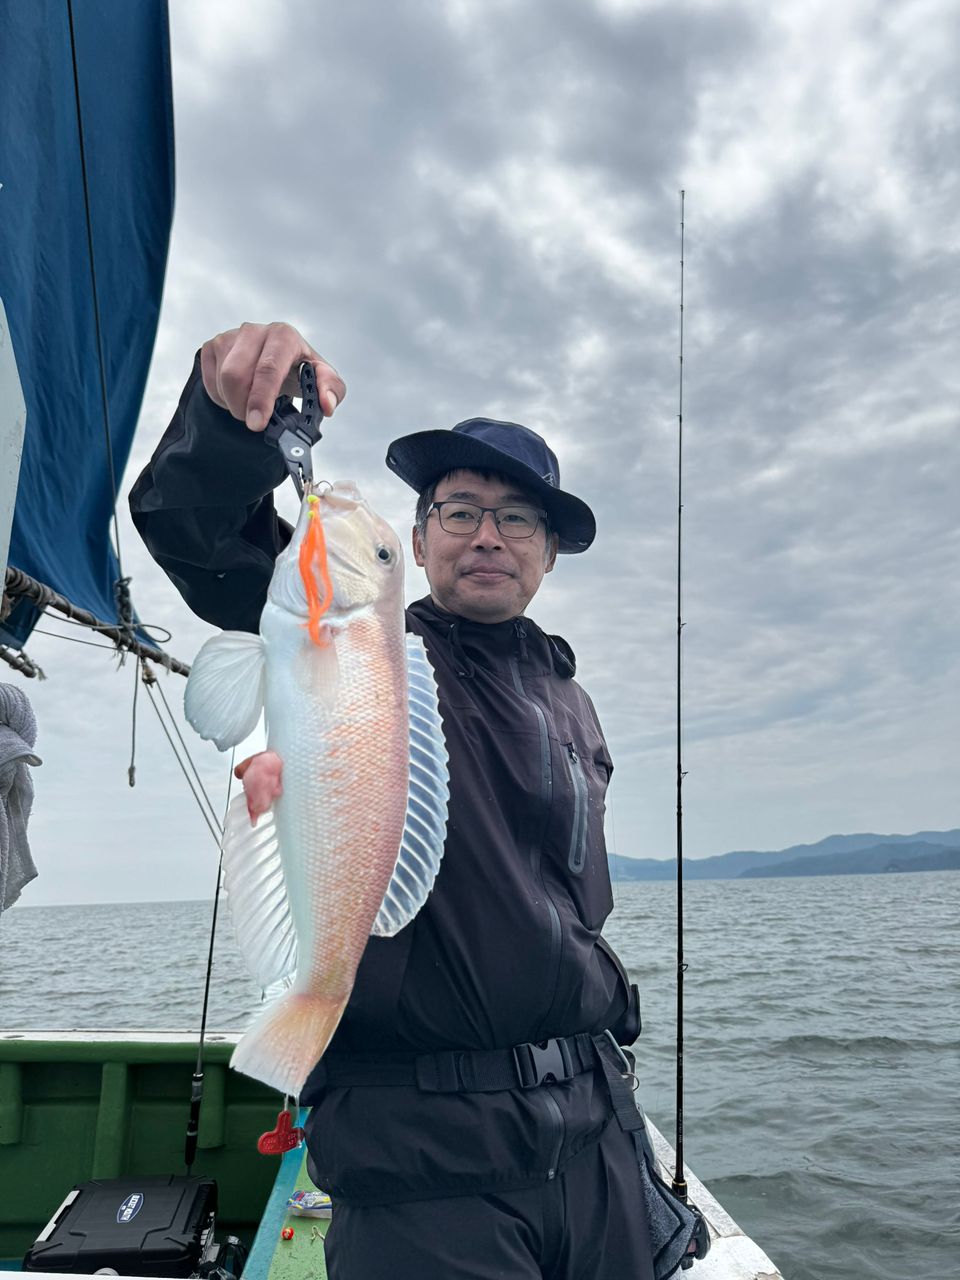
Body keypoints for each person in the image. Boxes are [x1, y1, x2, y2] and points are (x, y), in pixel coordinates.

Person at [130, 322, 695, 1280]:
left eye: (518, 519)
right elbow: (205, 537)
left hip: (594, 1138)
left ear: (549, 554)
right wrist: (231, 425)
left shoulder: (569, 696)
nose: (488, 535)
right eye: (460, 509)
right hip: (428, 1166)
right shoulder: (378, 646)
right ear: (422, 536)